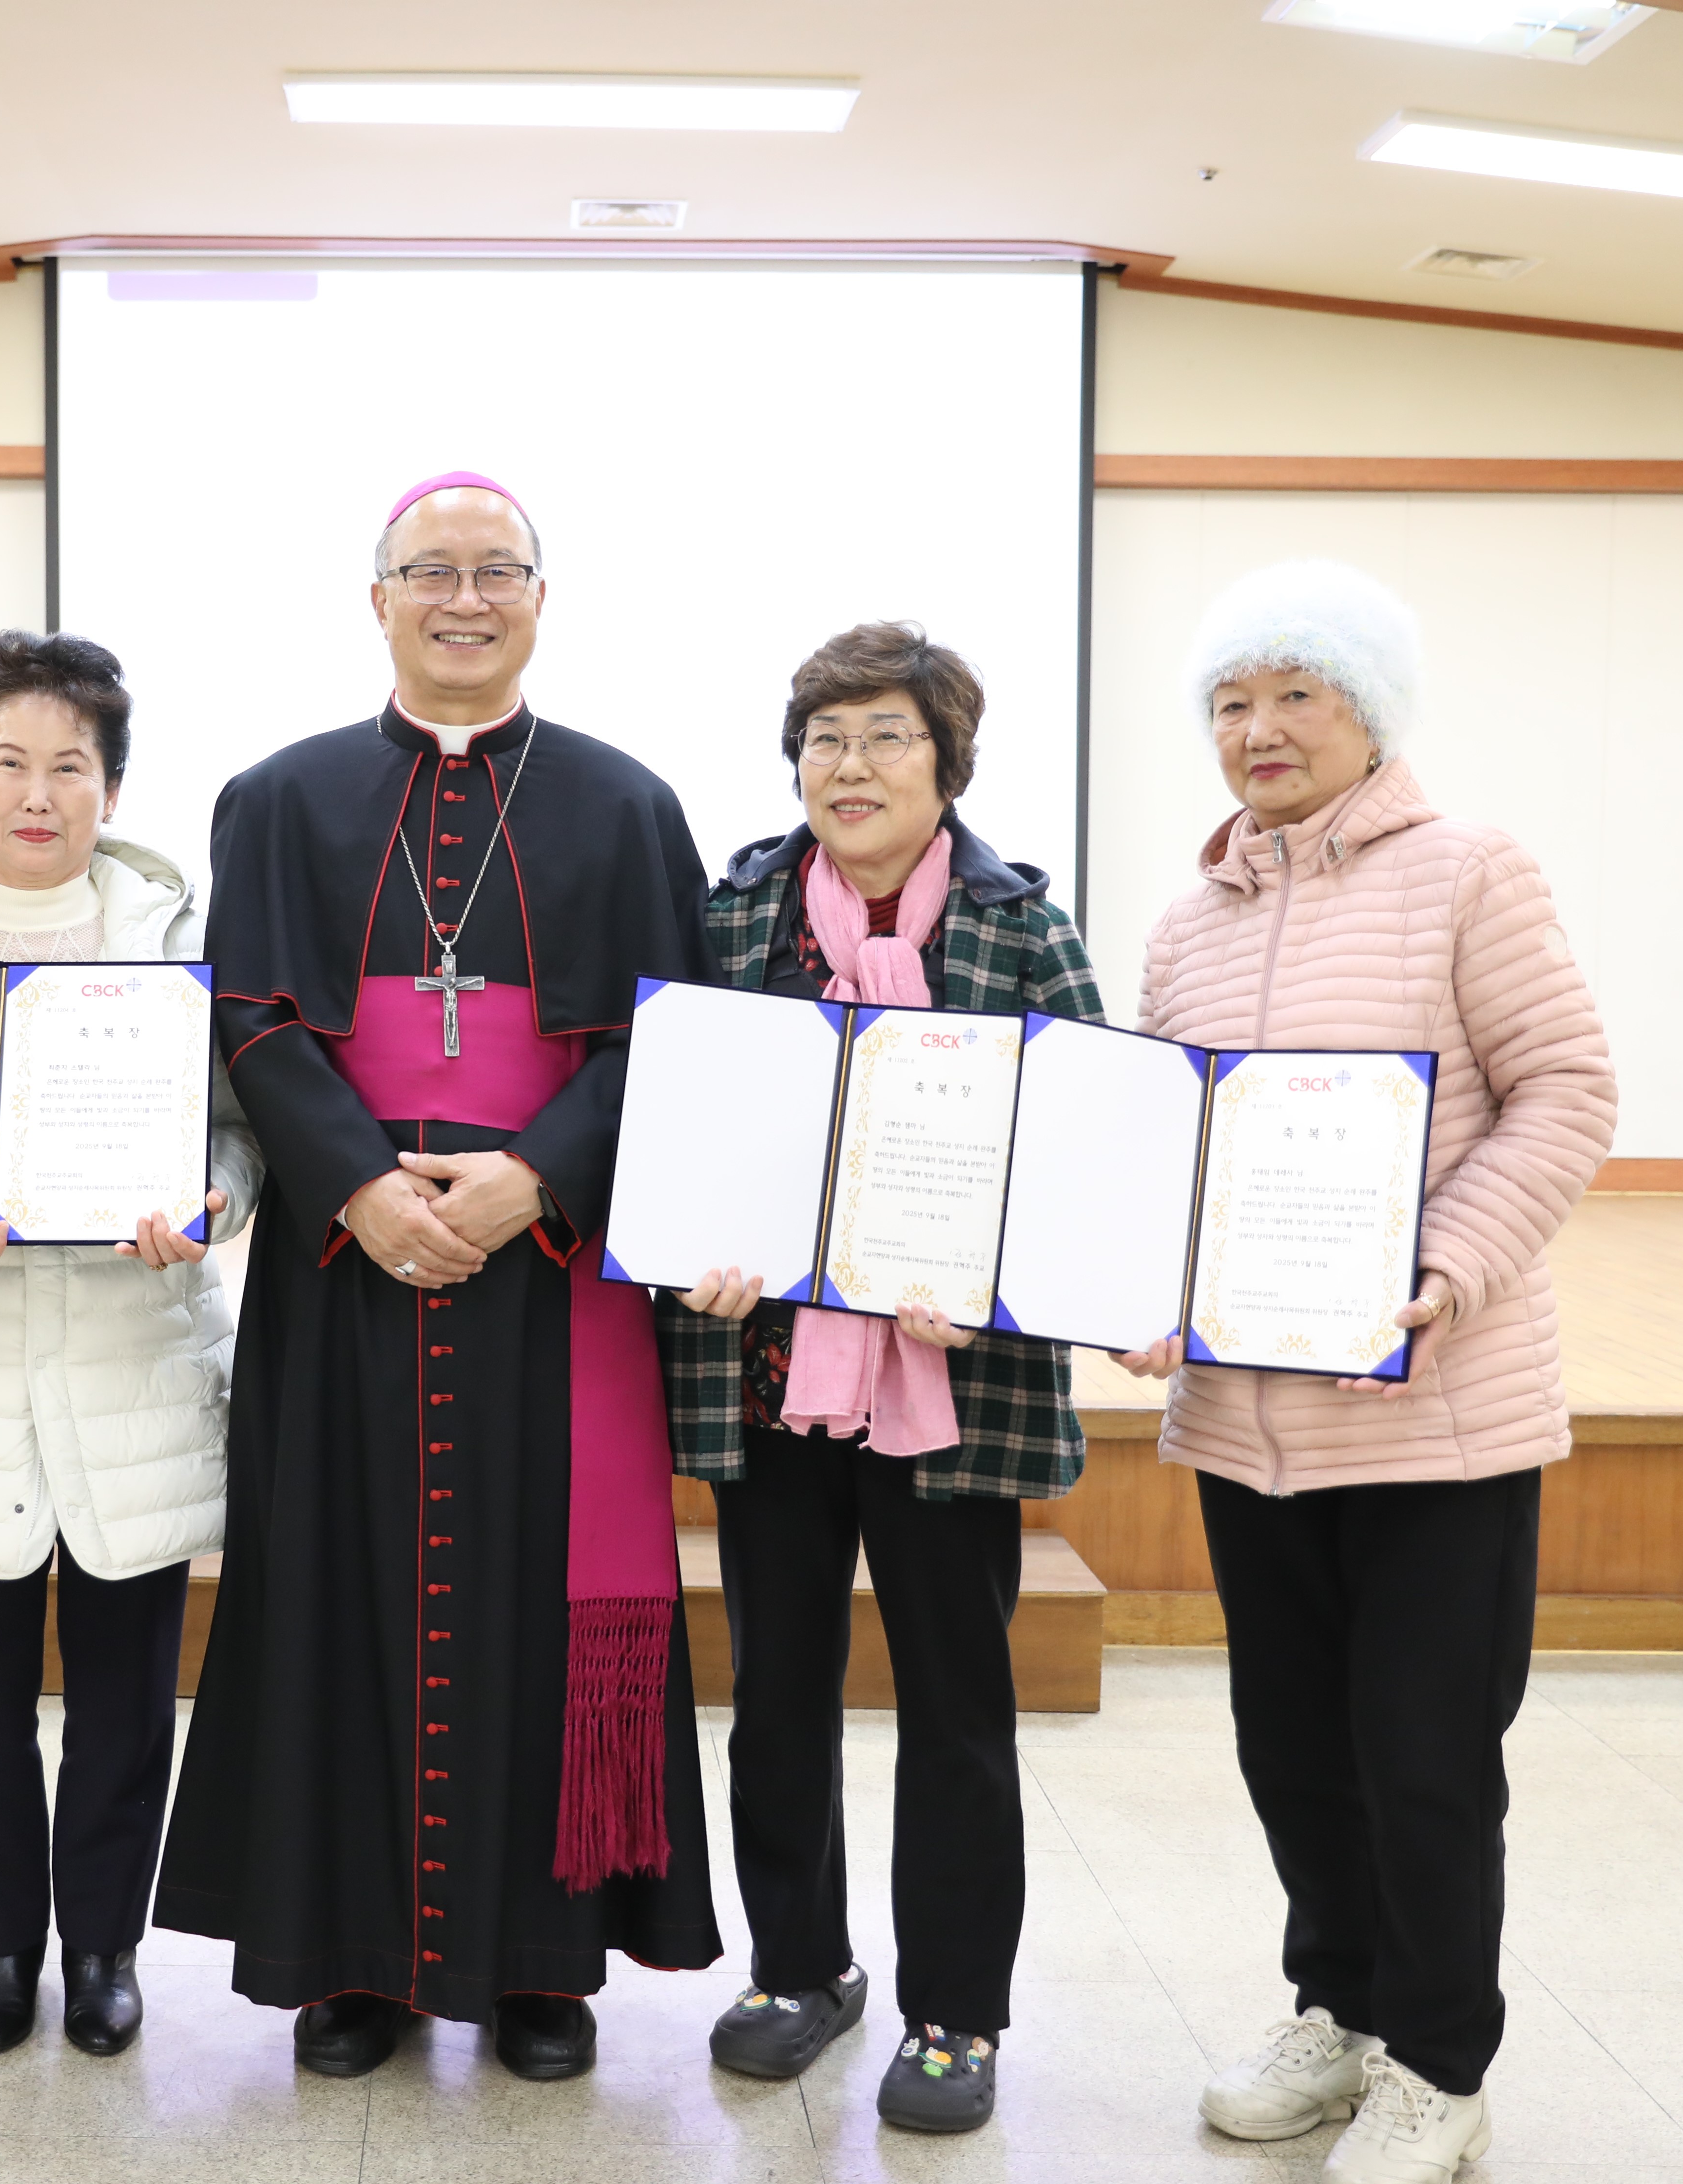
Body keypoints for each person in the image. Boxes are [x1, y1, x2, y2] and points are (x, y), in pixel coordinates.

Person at [153, 472, 722, 2080]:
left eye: (497, 571)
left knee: (553, 1601)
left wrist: (525, 1179)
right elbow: (255, 1021)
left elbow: (662, 1036)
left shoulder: (624, 806)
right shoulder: (279, 797)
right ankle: (354, 1961)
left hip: (550, 1266)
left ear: (541, 597)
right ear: (379, 598)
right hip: (347, 1273)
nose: (463, 598)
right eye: (431, 572)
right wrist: (360, 1189)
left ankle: (544, 1964)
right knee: (335, 1585)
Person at [1114, 560, 1615, 2184]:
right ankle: (1334, 2007)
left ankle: (1438, 2064)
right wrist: (1148, 1285)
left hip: (1438, 1418)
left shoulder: (1470, 871)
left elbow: (1566, 1092)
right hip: (1249, 1424)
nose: (1258, 731)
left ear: (1366, 710)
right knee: (1294, 1747)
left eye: (1294, 695)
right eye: (1230, 703)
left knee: (1423, 1755)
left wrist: (1442, 1272)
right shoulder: (1188, 924)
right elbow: (1167, 1160)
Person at [658, 624, 1103, 2128]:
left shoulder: (1018, 930)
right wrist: (691, 1246)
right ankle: (801, 1968)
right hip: (769, 1370)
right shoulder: (731, 918)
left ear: (947, 763)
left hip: (950, 1388)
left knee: (957, 1707)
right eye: (826, 739)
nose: (850, 768)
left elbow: (1080, 1155)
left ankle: (955, 2015)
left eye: (886, 738)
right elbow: (684, 1124)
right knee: (777, 1690)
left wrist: (1005, 1289)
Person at [0, 631, 260, 2059]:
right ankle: (2, 1946)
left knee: (130, 1703)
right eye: (7, 760)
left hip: (136, 1368)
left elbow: (236, 1133)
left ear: (112, 791)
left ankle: (105, 1947)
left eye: (69, 765)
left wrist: (215, 1200)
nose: (37, 791)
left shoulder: (186, 952)